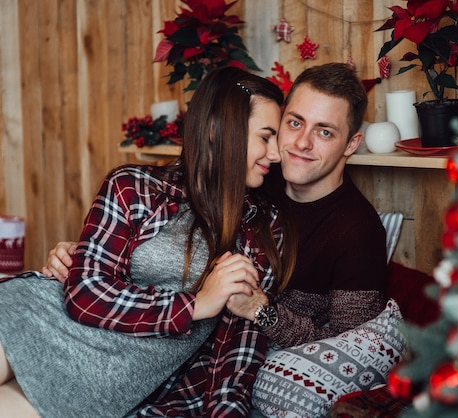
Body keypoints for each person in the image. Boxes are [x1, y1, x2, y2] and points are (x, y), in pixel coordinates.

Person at [43, 62, 389, 416]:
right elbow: (158, 234)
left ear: (352, 144)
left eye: (325, 132)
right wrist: (82, 253)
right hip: (116, 334)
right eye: (295, 123)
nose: (299, 143)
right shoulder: (253, 177)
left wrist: (262, 312)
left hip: (197, 359)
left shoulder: (358, 233)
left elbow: (351, 355)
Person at [0, 66, 296, 418]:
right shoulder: (133, 185)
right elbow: (85, 292)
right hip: (36, 316)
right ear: (218, 130)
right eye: (266, 137)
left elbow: (237, 354)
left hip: (102, 380)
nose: (276, 154)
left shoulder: (261, 228)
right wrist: (196, 305)